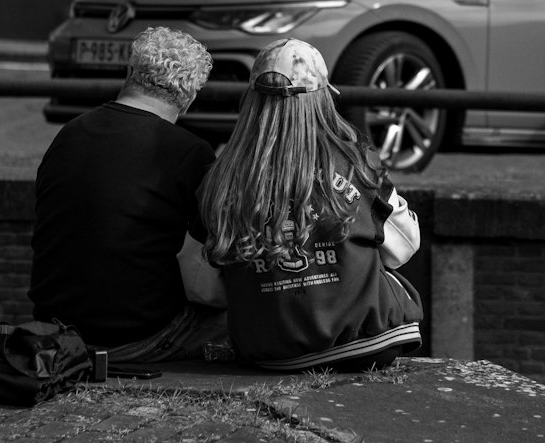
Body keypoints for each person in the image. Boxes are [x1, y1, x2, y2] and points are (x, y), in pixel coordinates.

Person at [198, 37, 423, 372]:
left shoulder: (220, 177)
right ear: (322, 98)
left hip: (270, 351)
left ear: (251, 100)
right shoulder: (355, 161)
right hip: (363, 345)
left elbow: (201, 287)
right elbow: (404, 248)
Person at [29, 26, 226, 360]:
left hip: (56, 328)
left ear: (130, 72)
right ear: (191, 95)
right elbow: (207, 266)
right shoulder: (190, 153)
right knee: (244, 317)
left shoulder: (70, 134)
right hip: (136, 336)